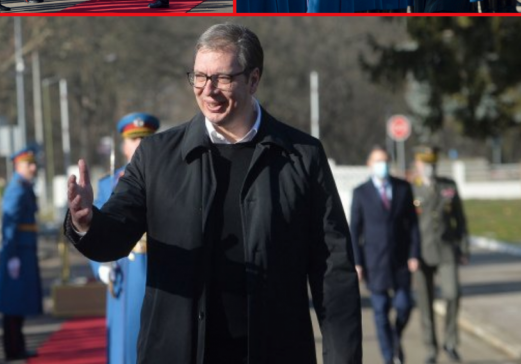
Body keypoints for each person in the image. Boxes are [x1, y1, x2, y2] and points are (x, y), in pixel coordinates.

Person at [65, 23, 362, 363]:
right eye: (199, 77)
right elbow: (115, 236)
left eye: (222, 78)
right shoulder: (157, 155)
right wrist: (86, 222)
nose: (209, 91)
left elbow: (333, 270)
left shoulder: (301, 156)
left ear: (253, 79)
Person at [89, 113, 160, 364]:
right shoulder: (109, 183)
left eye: (145, 138)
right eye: (134, 139)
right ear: (124, 145)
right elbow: (95, 231)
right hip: (124, 269)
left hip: (159, 268)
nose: (140, 144)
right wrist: (100, 267)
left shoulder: (168, 178)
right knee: (126, 342)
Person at [350, 146, 420, 364]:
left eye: (385, 161)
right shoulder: (360, 192)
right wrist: (357, 262)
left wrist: (414, 254)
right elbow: (355, 230)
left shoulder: (403, 188)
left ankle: (396, 335)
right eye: (378, 161)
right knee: (380, 312)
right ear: (369, 164)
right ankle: (389, 357)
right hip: (375, 262)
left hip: (400, 261)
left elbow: (413, 226)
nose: (383, 165)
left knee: (404, 305)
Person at [411, 146, 469, 364]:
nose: (429, 168)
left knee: (453, 294)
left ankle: (451, 343)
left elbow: (460, 220)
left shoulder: (448, 186)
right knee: (425, 302)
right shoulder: (411, 189)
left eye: (433, 163)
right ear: (417, 164)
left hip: (447, 251)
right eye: (425, 164)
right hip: (421, 252)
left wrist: (464, 248)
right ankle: (430, 348)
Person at [0, 146, 42, 361]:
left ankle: (17, 346)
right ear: (18, 166)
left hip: (23, 251)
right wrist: (12, 255)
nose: (33, 167)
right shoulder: (16, 189)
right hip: (17, 252)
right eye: (29, 164)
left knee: (18, 303)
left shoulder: (24, 187)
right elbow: (10, 225)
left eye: (33, 163)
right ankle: (12, 349)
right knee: (12, 304)